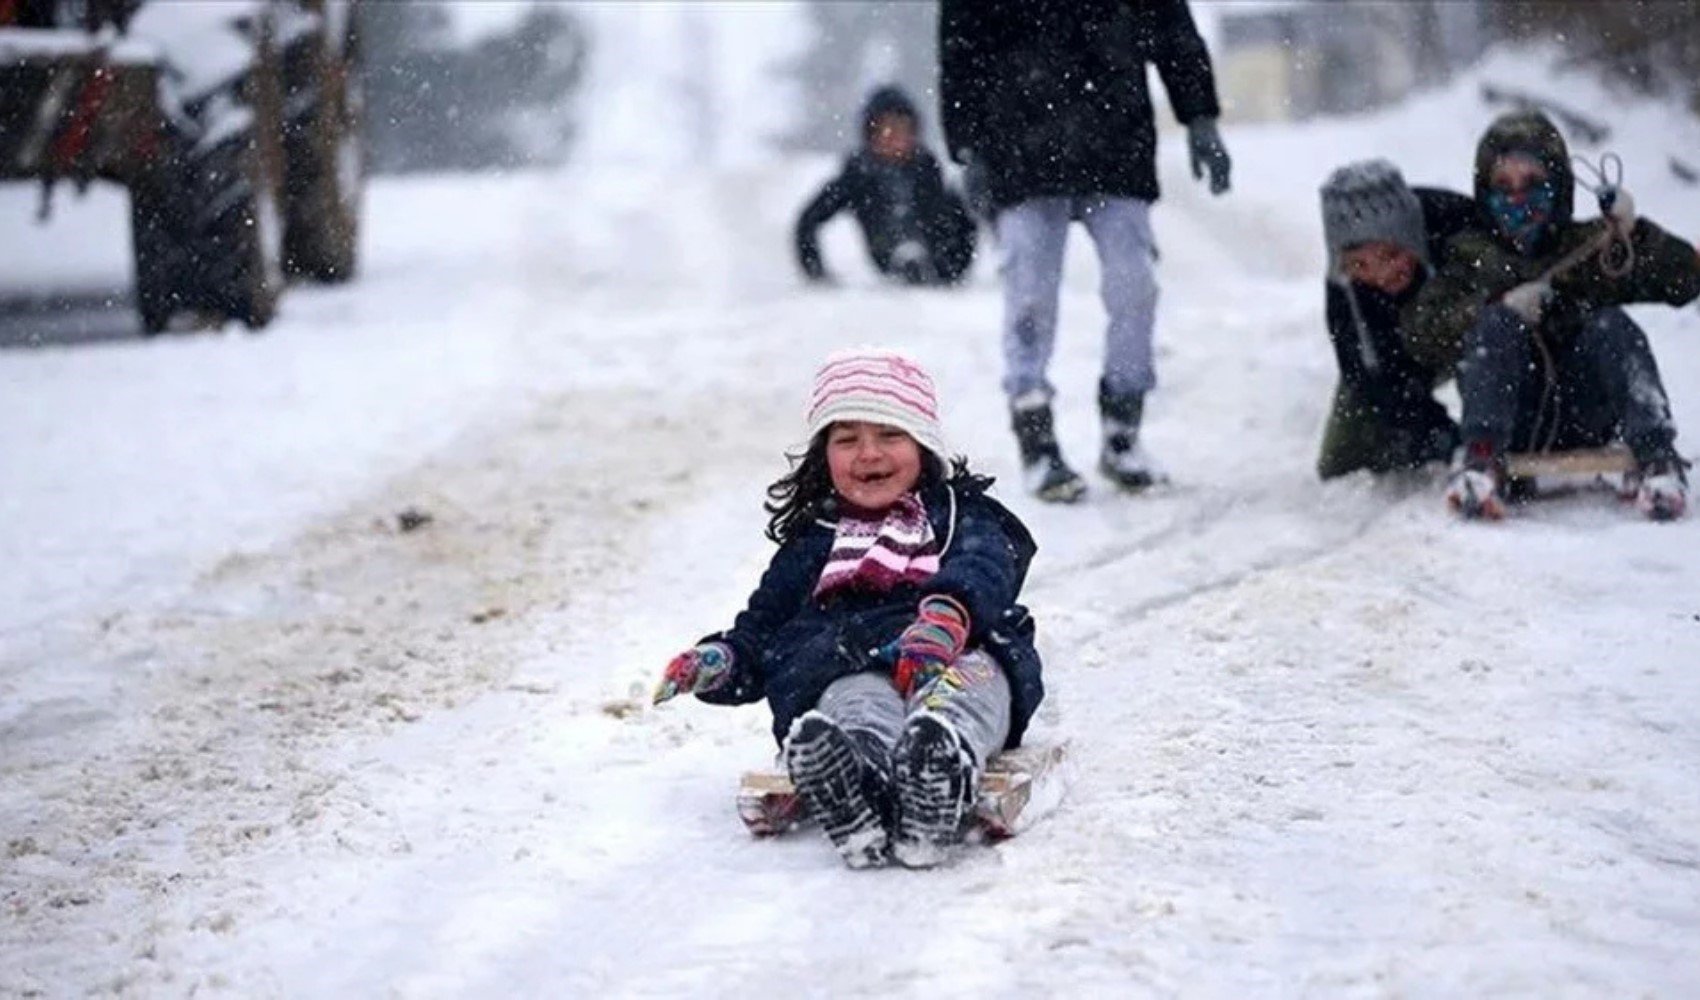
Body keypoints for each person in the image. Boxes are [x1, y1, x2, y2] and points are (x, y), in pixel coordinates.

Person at [652, 349, 1043, 870]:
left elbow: (985, 565)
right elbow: (763, 630)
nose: (868, 454)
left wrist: (947, 615)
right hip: (850, 662)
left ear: (924, 445)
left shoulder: (958, 516)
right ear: (823, 455)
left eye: (889, 435)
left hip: (954, 652)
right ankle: (855, 781)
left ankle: (938, 768)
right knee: (854, 703)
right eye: (847, 439)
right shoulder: (812, 543)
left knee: (964, 693)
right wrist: (719, 661)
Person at [938, 0, 1232, 502]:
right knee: (1029, 295)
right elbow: (962, 53)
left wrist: (1200, 116)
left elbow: (1171, 30)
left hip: (1117, 142)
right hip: (1020, 149)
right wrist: (967, 147)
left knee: (1134, 287)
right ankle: (1036, 437)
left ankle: (1123, 429)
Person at [1403, 111, 1700, 521]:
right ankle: (1480, 464)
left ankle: (1657, 457)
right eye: (1503, 186)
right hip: (1510, 417)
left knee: (1611, 325)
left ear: (1557, 186)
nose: (1517, 198)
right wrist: (1495, 308)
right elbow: (1422, 333)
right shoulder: (1469, 257)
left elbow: (1684, 278)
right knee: (1495, 326)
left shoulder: (1588, 246)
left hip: (1583, 410)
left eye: (1532, 185)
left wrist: (1635, 236)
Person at [1315, 160, 1478, 479]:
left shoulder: (1460, 226)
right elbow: (1367, 376)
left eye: (1391, 256)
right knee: (1341, 461)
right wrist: (1436, 436)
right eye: (1360, 265)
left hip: (1472, 336)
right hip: (1401, 353)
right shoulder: (1344, 290)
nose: (1381, 275)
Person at [793, 87, 977, 287]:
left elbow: (962, 223)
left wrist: (954, 268)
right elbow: (809, 221)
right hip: (887, 258)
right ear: (870, 135)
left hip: (937, 267)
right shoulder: (858, 176)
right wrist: (816, 273)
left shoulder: (927, 170)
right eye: (885, 130)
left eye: (902, 129)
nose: (894, 138)